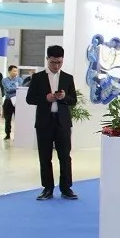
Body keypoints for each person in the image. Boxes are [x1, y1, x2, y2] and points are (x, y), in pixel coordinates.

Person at [26, 45, 79, 201]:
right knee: (45, 156)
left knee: (65, 156)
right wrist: (46, 98)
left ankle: (66, 188)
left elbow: (73, 100)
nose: (56, 66)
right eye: (53, 62)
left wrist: (64, 97)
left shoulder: (68, 78)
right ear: (47, 59)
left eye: (59, 62)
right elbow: (29, 99)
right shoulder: (38, 78)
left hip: (63, 122)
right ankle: (47, 188)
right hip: (44, 122)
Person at [2, 65, 21, 140]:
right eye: (14, 71)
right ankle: (7, 134)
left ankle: (18, 135)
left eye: (16, 71)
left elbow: (21, 88)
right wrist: (16, 87)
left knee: (18, 118)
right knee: (8, 118)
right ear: (9, 71)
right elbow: (8, 89)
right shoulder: (5, 80)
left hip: (17, 100)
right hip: (8, 101)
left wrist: (14, 88)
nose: (15, 72)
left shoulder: (19, 79)